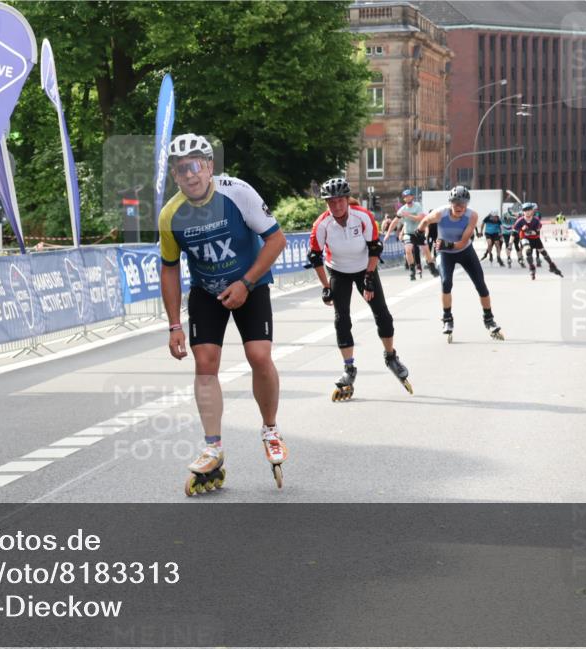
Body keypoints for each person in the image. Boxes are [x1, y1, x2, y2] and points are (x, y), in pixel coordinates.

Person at [158, 133, 288, 495]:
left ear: (210, 166)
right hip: (206, 290)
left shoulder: (239, 193)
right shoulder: (170, 215)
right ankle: (213, 445)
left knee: (259, 355)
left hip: (251, 282)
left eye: (196, 165)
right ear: (175, 175)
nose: (190, 175)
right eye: (182, 169)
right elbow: (169, 268)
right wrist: (173, 325)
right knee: (205, 362)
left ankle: (270, 429)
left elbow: (276, 239)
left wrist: (246, 282)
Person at [309, 177, 412, 401]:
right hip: (338, 271)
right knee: (341, 318)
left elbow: (374, 249)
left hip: (365, 267)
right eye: (330, 202)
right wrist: (325, 286)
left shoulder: (363, 217)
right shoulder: (321, 224)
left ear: (347, 200)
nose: (335, 206)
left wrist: (368, 278)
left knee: (382, 314)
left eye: (339, 201)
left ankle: (391, 356)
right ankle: (349, 368)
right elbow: (315, 257)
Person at [418, 186, 503, 342]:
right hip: (445, 254)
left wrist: (447, 244)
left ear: (467, 204)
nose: (459, 207)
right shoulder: (440, 213)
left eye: (463, 204)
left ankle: (489, 319)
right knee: (446, 283)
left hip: (464, 251)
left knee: (481, 285)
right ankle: (447, 318)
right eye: (456, 203)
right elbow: (424, 221)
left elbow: (462, 241)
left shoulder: (472, 216)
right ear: (450, 203)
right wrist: (419, 232)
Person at [514, 202, 563, 280]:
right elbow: (515, 229)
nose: (527, 212)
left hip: (535, 238)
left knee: (543, 253)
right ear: (523, 212)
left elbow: (537, 231)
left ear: (532, 211)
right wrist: (521, 229)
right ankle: (532, 268)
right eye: (525, 211)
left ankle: (552, 266)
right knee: (528, 251)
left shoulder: (536, 220)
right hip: (525, 238)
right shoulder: (520, 220)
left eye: (529, 210)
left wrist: (532, 231)